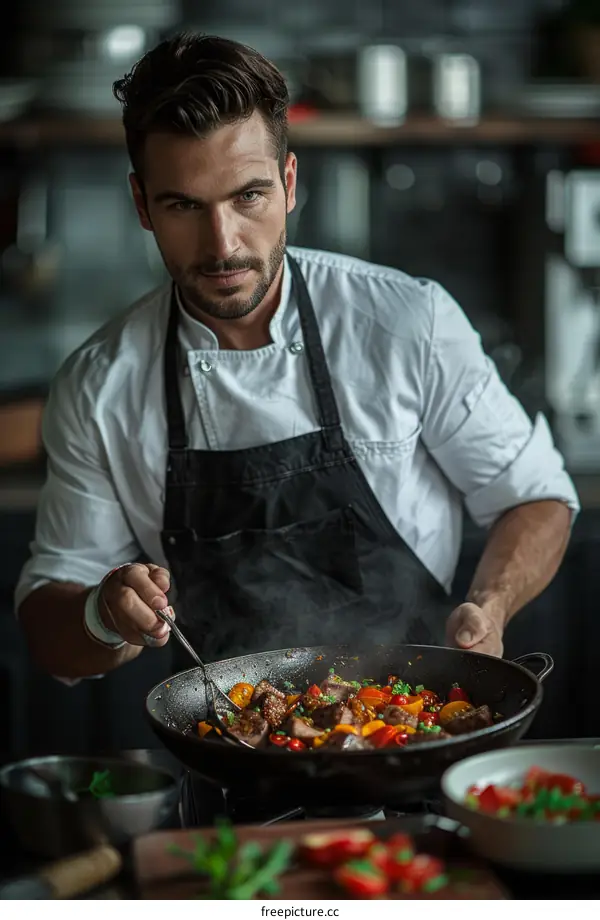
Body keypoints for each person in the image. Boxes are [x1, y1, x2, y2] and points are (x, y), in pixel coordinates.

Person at [16, 32, 578, 684]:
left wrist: (490, 606)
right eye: (183, 206)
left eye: (247, 197)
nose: (222, 244)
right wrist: (102, 613)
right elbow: (52, 631)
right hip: (230, 760)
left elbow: (535, 496)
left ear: (288, 183)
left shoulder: (404, 322)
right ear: (143, 204)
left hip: (421, 728)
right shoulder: (100, 384)